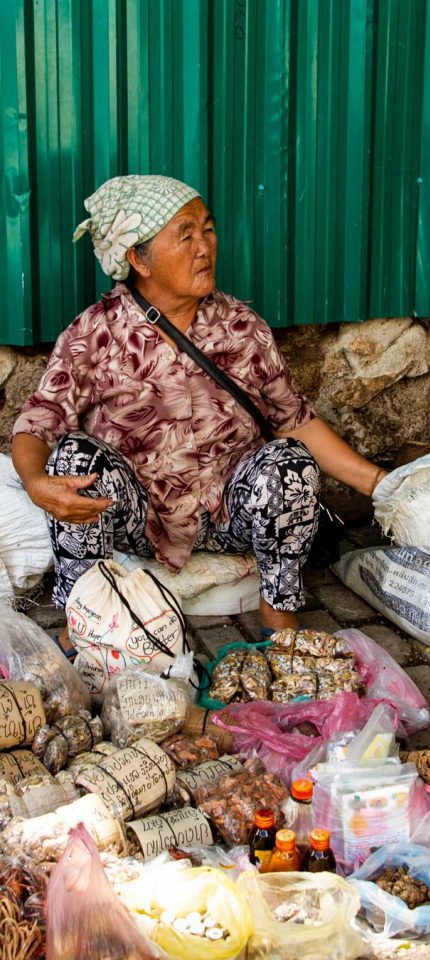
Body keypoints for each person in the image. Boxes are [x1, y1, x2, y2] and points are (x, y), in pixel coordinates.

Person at [12, 175, 386, 651]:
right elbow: (37, 423)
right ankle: (80, 624)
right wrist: (34, 482)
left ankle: (281, 621)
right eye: (184, 234)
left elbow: (294, 420)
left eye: (207, 229)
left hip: (228, 513)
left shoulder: (241, 327)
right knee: (73, 461)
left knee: (289, 462)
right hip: (141, 520)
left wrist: (382, 486)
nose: (203, 246)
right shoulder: (95, 333)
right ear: (137, 258)